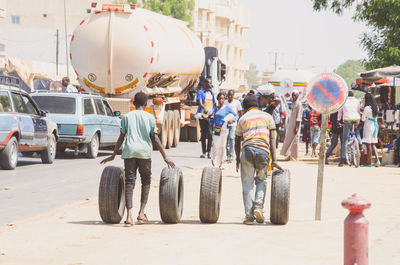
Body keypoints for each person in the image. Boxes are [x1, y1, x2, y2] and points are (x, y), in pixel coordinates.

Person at [101, 92, 175, 226]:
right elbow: (155, 138)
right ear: (146, 104)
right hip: (144, 153)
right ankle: (141, 213)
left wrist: (113, 155)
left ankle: (129, 216)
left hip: (129, 152)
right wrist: (165, 156)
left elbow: (121, 137)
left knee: (129, 182)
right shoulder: (150, 117)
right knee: (146, 180)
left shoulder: (127, 117)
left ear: (134, 103)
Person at [235, 94, 282, 225]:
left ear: (245, 107)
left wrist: (238, 159)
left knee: (247, 183)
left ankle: (249, 216)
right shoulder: (268, 117)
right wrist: (275, 159)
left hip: (247, 150)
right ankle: (258, 207)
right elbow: (273, 139)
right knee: (261, 180)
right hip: (263, 151)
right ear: (257, 105)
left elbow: (237, 140)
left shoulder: (242, 119)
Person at [211, 92, 238, 167]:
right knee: (216, 145)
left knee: (222, 146)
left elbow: (236, 115)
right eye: (219, 99)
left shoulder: (227, 108)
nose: (220, 100)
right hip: (217, 129)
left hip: (224, 129)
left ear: (224, 99)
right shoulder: (215, 108)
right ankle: (214, 160)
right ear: (217, 99)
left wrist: (232, 120)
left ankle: (220, 163)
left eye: (222, 99)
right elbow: (213, 118)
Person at [338, 91, 362, 167]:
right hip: (356, 119)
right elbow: (359, 111)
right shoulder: (357, 101)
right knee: (356, 131)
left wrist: (338, 120)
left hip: (347, 119)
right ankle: (359, 143)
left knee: (345, 138)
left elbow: (340, 112)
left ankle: (343, 158)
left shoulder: (343, 101)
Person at [280, 90, 303, 161]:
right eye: (292, 95)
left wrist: (296, 127)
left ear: (297, 96)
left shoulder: (299, 104)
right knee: (288, 140)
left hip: (295, 126)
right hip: (291, 125)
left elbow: (299, 117)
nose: (293, 97)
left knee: (295, 141)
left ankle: (294, 156)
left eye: (294, 95)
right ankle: (289, 155)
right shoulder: (294, 103)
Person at [196, 78, 216, 158]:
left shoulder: (212, 94)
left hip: (210, 116)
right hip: (202, 116)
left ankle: (209, 152)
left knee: (210, 134)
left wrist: (212, 112)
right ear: (204, 84)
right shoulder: (200, 92)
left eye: (210, 83)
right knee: (203, 134)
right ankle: (204, 152)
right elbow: (200, 102)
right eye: (207, 83)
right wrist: (204, 108)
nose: (209, 84)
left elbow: (214, 105)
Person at [361, 93, 380, 167]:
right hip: (375, 125)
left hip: (368, 125)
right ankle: (377, 160)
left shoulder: (367, 108)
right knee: (373, 144)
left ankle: (368, 162)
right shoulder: (376, 107)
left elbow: (363, 119)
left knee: (368, 144)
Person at [224, 89, 243, 163]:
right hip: (225, 123)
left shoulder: (237, 103)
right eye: (229, 95)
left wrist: (240, 122)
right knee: (226, 140)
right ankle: (228, 155)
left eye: (231, 95)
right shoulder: (225, 103)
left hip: (233, 123)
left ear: (233, 95)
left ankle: (231, 155)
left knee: (231, 138)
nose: (230, 96)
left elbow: (240, 113)